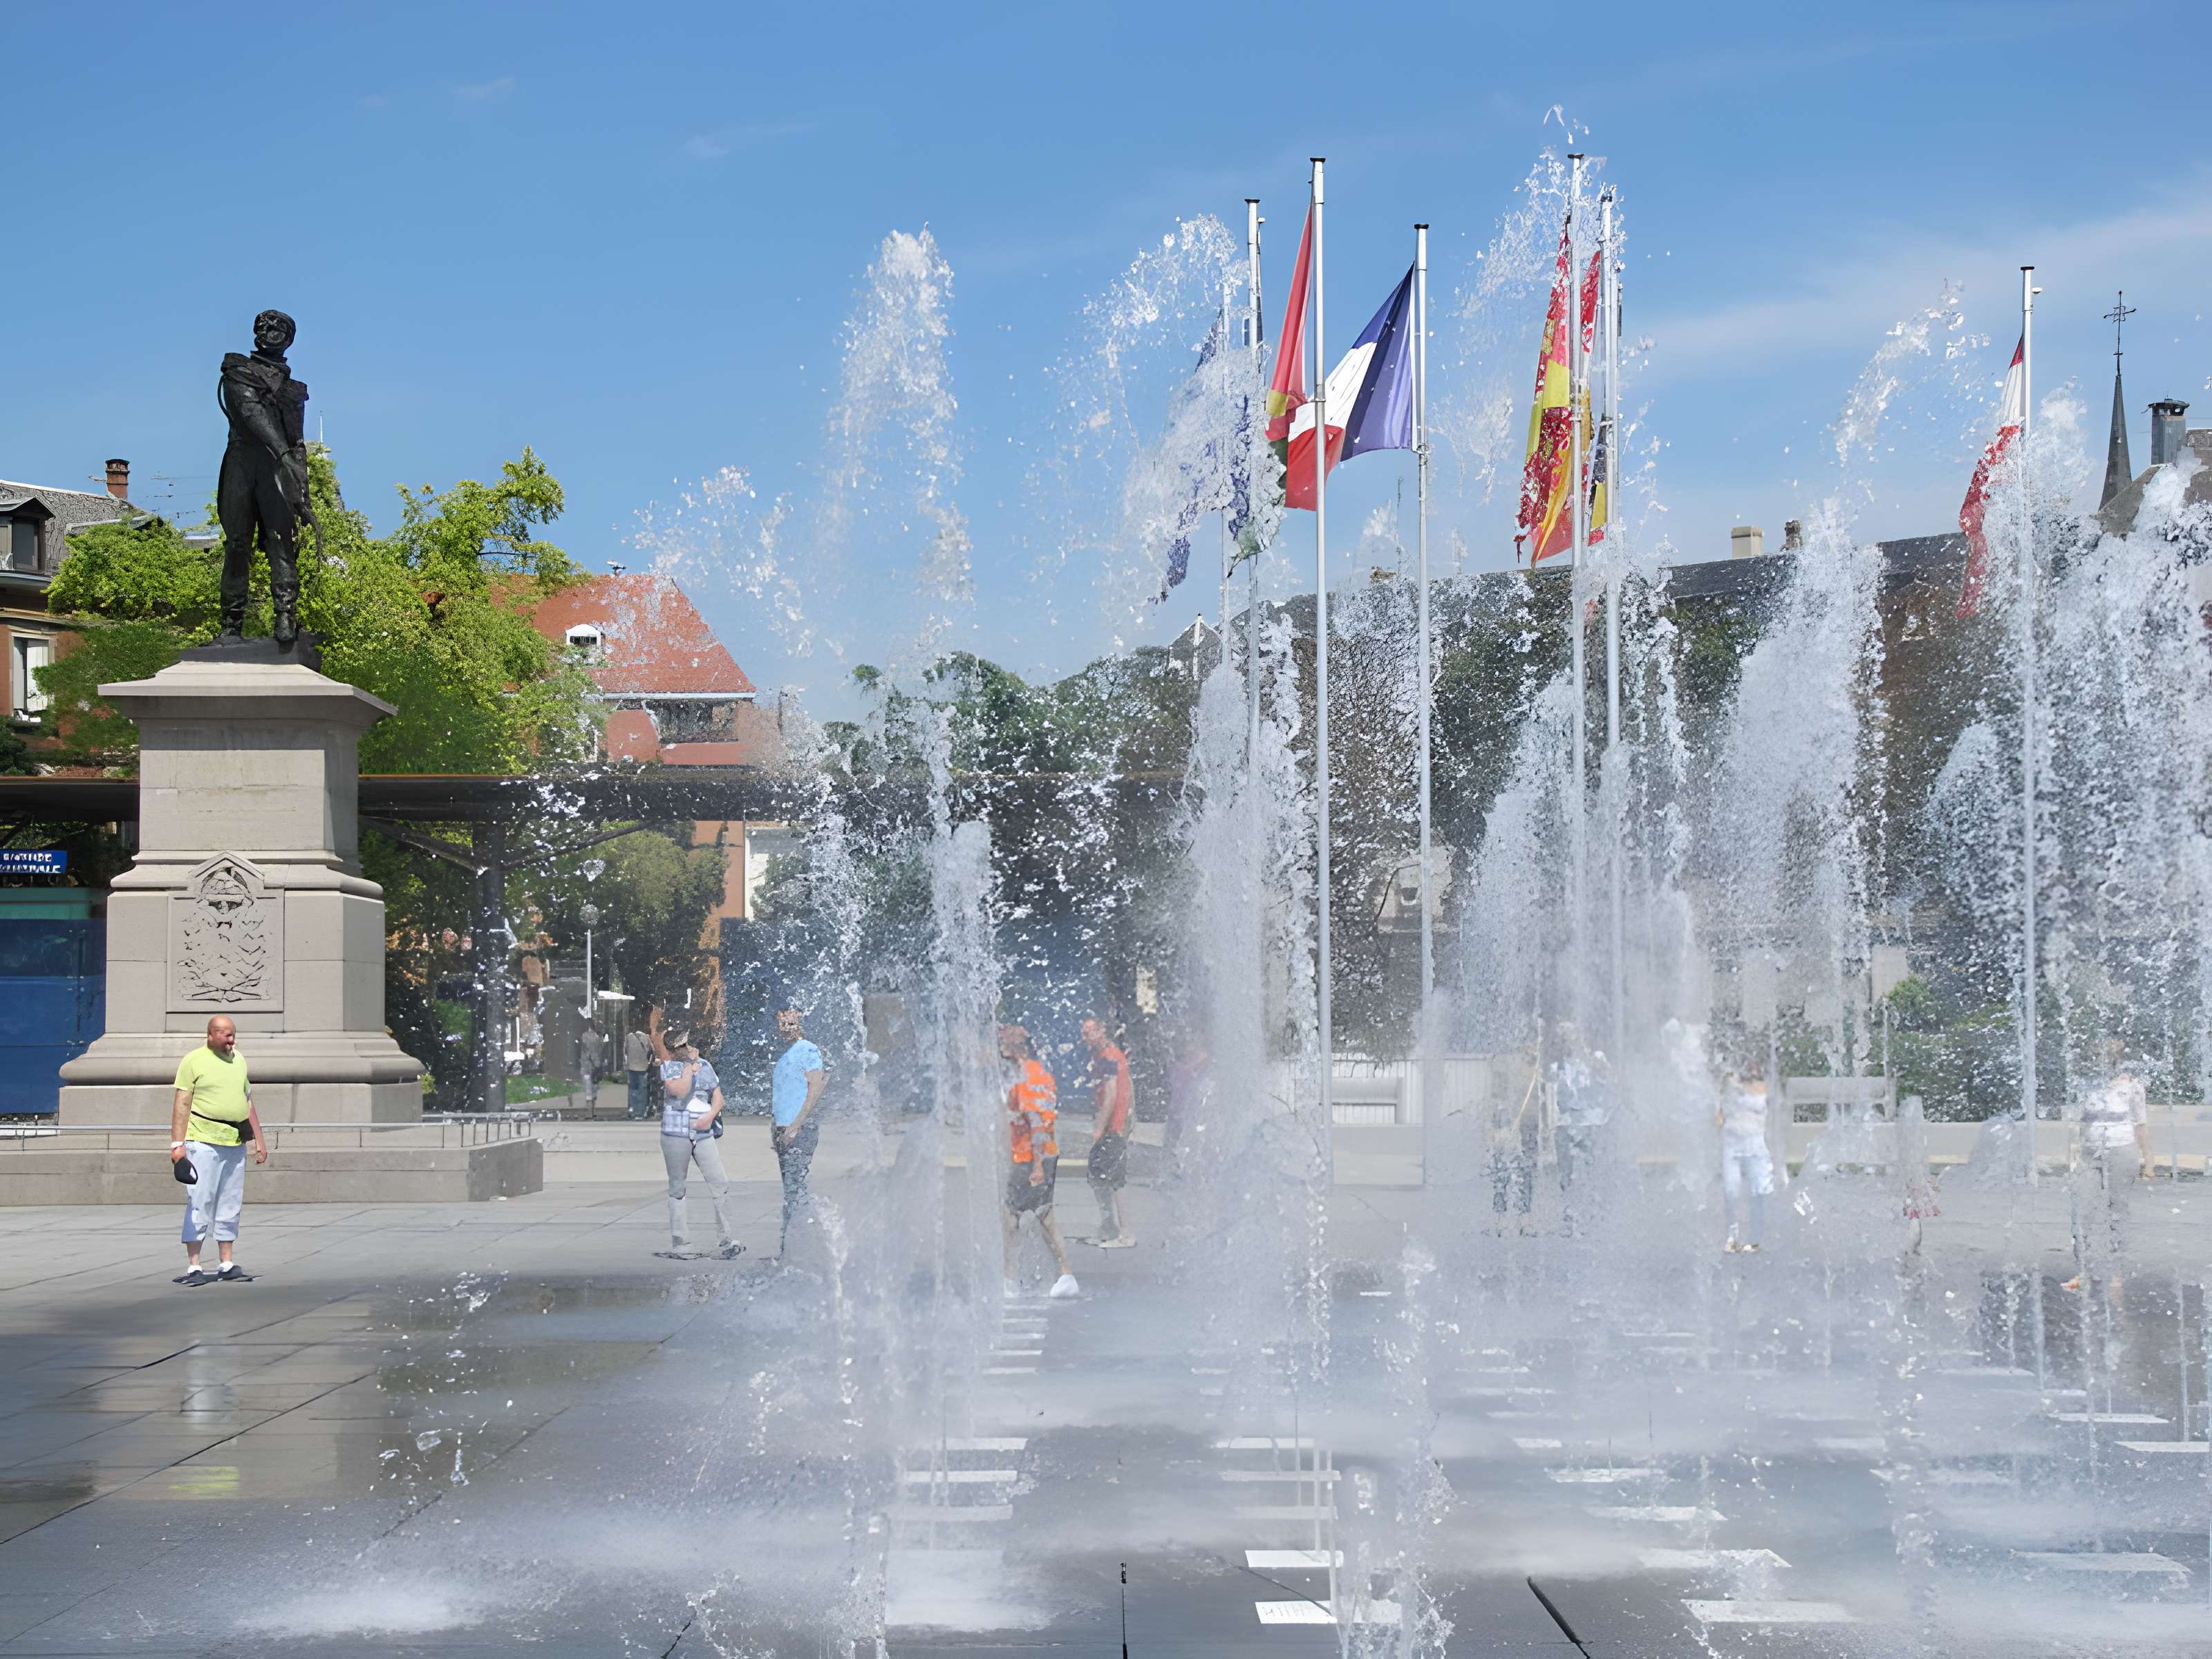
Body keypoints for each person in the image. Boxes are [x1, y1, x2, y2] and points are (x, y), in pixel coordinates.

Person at [169, 1015, 268, 1286]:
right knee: (201, 1201)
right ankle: (195, 1266)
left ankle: (227, 1263)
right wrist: (177, 1146)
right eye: (227, 1036)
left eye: (234, 1035)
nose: (232, 1041)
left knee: (230, 1201)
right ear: (211, 1035)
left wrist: (259, 1140)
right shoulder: (194, 1061)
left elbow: (247, 1101)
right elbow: (182, 1103)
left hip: (235, 1141)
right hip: (202, 1141)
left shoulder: (239, 1060)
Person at [1000, 1025, 1080, 1299]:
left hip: (1030, 1157)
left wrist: (1036, 1166)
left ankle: (1010, 1281)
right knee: (1044, 1216)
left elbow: (1037, 1123)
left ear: (1019, 1047)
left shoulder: (1028, 1075)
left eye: (1006, 1042)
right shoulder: (1038, 1072)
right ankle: (1065, 1275)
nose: (1001, 1045)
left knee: (1011, 1219)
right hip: (1040, 1154)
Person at [651, 1019, 741, 1262]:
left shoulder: (705, 1065)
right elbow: (677, 1091)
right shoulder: (670, 1066)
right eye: (681, 1045)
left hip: (703, 1134)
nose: (687, 1048)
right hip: (675, 1134)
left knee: (720, 1182)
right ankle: (681, 1243)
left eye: (687, 1043)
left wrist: (710, 1116)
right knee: (678, 1188)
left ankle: (726, 1239)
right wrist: (690, 1070)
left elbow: (718, 1097)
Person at [2064, 1040, 2149, 1294]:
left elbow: (2141, 1124)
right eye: (2100, 1056)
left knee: (2117, 1210)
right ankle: (2086, 1269)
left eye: (2110, 1056)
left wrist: (2149, 1161)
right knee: (2084, 1210)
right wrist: (2073, 1157)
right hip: (2090, 1153)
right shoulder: (2085, 1085)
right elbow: (2077, 1123)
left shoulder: (2132, 1086)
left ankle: (2116, 1272)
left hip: (2122, 1150)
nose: (2105, 1061)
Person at [771, 1007, 827, 1259]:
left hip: (799, 1131)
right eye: (783, 1023)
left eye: (791, 1023)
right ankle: (794, 1246)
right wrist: (776, 1125)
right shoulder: (786, 1054)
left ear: (800, 1022)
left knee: (795, 1190)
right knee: (792, 1189)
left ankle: (800, 1247)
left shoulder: (808, 1049)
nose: (786, 1028)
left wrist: (796, 1125)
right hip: (784, 1130)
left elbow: (816, 1087)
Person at [1079, 1016, 1136, 1248]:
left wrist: (1100, 1127)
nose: (1085, 1037)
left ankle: (1126, 1233)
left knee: (1114, 1180)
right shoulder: (1103, 1054)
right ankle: (1108, 1228)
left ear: (1102, 1031)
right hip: (1118, 1122)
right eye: (1083, 1032)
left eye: (1089, 1031)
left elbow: (1112, 1093)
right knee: (1098, 1176)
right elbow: (1129, 1083)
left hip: (1115, 1125)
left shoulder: (1109, 1056)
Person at [1716, 1051, 1775, 1253]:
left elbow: (1777, 1118)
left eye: (1755, 1063)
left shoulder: (1767, 1088)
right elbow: (1719, 1116)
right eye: (1747, 1063)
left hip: (1756, 1145)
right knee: (1730, 1191)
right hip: (1732, 1144)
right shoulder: (1730, 1087)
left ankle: (1756, 1240)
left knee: (1758, 1193)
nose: (1751, 1067)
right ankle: (1731, 1238)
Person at [624, 1020, 654, 1120]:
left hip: (632, 1067)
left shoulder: (629, 1037)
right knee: (642, 1091)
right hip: (643, 1068)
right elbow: (652, 1052)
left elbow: (625, 1051)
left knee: (633, 1091)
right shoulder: (647, 1038)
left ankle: (633, 1111)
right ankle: (640, 1113)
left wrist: (627, 1063)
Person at [579, 1020, 603, 1113]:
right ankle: (593, 1106)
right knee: (594, 1085)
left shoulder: (584, 1036)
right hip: (596, 1064)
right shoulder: (598, 1037)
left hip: (586, 1063)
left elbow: (583, 1049)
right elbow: (601, 1049)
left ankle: (589, 1108)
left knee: (588, 1084)